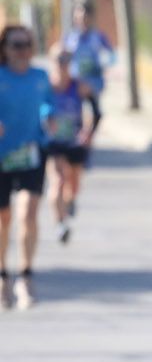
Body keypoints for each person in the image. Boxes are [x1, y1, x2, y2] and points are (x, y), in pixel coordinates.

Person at [0, 24, 51, 309]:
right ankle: (2, 275)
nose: (22, 51)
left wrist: (51, 116)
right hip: (2, 157)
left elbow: (49, 104)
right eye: (16, 45)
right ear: (5, 50)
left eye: (27, 45)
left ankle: (25, 276)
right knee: (3, 219)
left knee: (28, 212)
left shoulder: (40, 77)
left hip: (32, 154)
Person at [42, 44, 100, 244]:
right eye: (59, 60)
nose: (63, 65)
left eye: (67, 60)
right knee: (57, 182)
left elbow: (97, 110)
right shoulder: (45, 86)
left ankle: (70, 200)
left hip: (75, 142)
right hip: (53, 143)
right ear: (51, 62)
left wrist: (89, 131)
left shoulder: (79, 86)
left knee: (73, 184)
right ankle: (61, 224)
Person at [63, 0, 116, 102]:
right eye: (79, 17)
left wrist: (102, 65)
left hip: (94, 83)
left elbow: (112, 56)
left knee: (95, 115)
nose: (82, 20)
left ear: (91, 17)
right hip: (74, 85)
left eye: (85, 16)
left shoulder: (98, 36)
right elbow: (60, 57)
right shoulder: (69, 37)